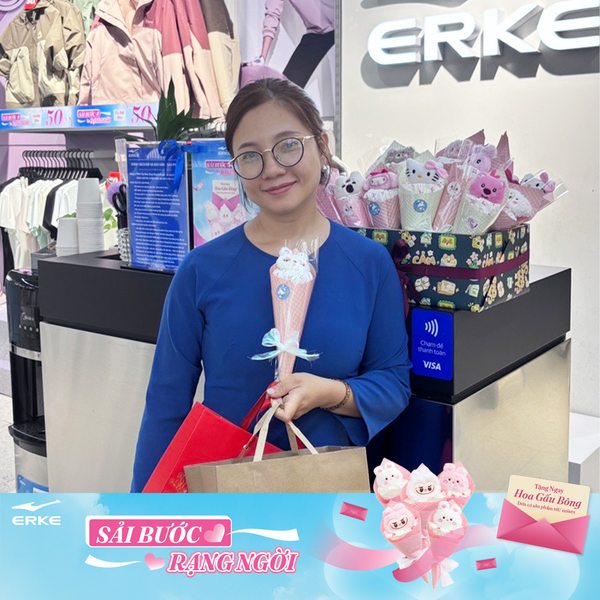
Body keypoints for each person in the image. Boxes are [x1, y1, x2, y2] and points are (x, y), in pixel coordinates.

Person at [131, 78, 411, 492]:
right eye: (250, 156)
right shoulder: (201, 270)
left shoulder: (368, 264)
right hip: (227, 491)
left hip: (326, 492)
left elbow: (393, 385)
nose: (273, 168)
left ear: (322, 146)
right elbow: (165, 404)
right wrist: (143, 514)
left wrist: (328, 393)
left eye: (288, 145)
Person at [250, 0, 335, 88]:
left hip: (342, 23)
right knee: (285, 89)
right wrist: (262, 57)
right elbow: (272, 15)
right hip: (317, 34)